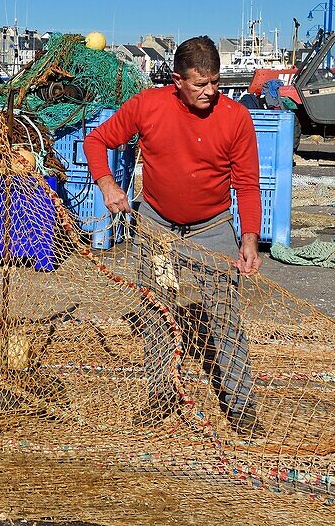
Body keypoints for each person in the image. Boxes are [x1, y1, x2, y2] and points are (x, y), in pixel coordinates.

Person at [82, 36, 264, 438]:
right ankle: (161, 392)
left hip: (212, 228)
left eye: (215, 83)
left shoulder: (235, 117)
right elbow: (96, 140)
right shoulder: (148, 105)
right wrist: (108, 185)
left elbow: (248, 185)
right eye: (200, 84)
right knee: (158, 312)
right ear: (176, 80)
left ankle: (241, 407)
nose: (210, 92)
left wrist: (248, 239)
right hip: (157, 227)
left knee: (225, 318)